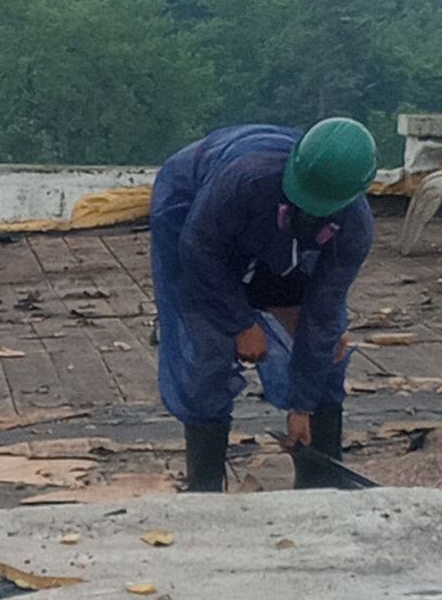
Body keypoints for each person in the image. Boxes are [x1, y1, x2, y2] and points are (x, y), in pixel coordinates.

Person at [150, 118, 377, 492]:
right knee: (208, 349)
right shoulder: (244, 180)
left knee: (328, 346)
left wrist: (301, 407)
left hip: (284, 239)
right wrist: (240, 322)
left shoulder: (354, 227)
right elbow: (200, 251)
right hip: (195, 216)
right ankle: (204, 487)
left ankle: (321, 482)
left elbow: (323, 309)